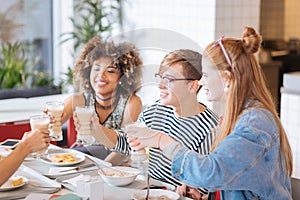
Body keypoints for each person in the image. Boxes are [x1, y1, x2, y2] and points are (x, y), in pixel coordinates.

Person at [127, 27, 293, 200]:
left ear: (226, 78)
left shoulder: (254, 123)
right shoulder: (238, 115)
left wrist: (161, 140)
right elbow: (232, 177)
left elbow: (211, 172)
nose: (201, 81)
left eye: (205, 75)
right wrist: (208, 197)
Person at [86, 49, 219, 198]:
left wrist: (193, 190)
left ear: (193, 86)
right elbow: (125, 142)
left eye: (169, 80)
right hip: (148, 191)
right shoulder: (157, 110)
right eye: (161, 78)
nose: (161, 86)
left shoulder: (210, 128)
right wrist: (96, 129)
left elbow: (205, 183)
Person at [59, 37, 143, 166]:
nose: (101, 75)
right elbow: (51, 126)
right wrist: (51, 122)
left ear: (122, 77)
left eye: (110, 71)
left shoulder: (131, 102)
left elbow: (124, 148)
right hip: (81, 161)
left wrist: (101, 170)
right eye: (96, 68)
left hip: (114, 168)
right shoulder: (78, 100)